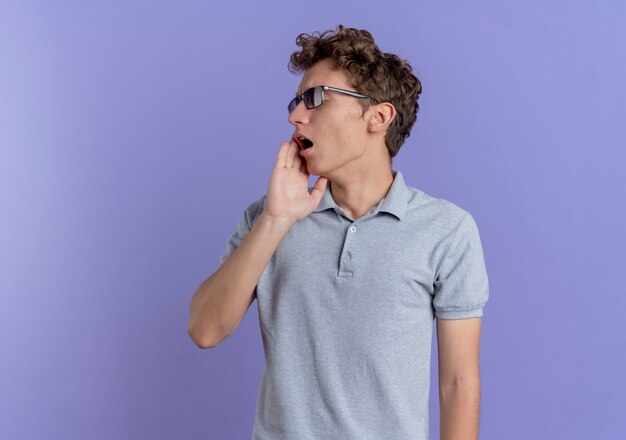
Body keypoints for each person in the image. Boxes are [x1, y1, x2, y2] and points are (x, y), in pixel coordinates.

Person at [188, 24, 489, 440]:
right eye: (295, 101)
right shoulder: (269, 216)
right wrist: (276, 220)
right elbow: (204, 330)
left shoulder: (447, 230)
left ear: (378, 116)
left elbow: (458, 384)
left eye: (314, 99)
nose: (296, 115)